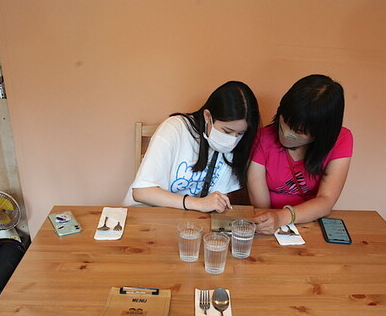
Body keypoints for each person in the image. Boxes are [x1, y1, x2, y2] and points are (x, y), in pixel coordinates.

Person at [124, 81, 260, 213]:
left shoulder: (235, 148)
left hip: (187, 220)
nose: (232, 140)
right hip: (147, 214)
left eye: (240, 133)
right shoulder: (176, 128)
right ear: (208, 116)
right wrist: (197, 203)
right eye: (227, 131)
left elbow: (217, 201)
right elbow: (141, 192)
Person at [247, 74, 352, 234]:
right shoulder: (262, 138)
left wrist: (282, 217)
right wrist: (272, 220)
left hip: (312, 224)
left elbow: (326, 200)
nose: (287, 132)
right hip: (269, 226)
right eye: (285, 121)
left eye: (299, 131)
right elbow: (262, 208)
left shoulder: (341, 140)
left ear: (321, 133)